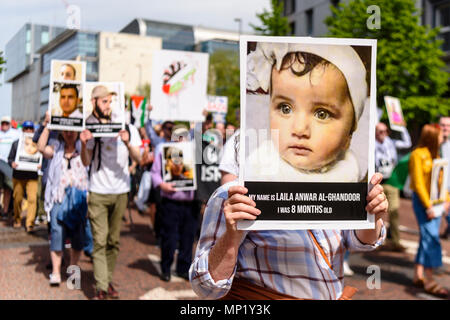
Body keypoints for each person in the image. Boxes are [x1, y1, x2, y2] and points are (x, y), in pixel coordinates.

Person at [189, 170, 388, 300]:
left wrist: (373, 213)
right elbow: (206, 288)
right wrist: (232, 235)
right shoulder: (235, 197)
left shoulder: (337, 186)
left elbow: (357, 241)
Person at [245, 43, 368, 182]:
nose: (299, 129)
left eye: (322, 114)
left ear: (349, 134)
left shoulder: (352, 170)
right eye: (285, 108)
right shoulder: (259, 168)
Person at [80, 122, 141, 299]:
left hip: (120, 191)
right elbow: (85, 160)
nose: (109, 105)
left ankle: (106, 280)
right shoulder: (94, 127)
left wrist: (128, 143)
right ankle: (101, 287)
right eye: (106, 101)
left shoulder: (129, 128)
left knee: (113, 241)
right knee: (99, 241)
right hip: (98, 192)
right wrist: (84, 144)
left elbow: (138, 158)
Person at [37, 128, 88, 286]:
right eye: (66, 130)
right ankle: (56, 272)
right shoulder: (56, 148)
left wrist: (85, 144)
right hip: (58, 199)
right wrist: (47, 125)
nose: (69, 133)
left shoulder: (83, 148)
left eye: (73, 130)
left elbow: (88, 162)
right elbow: (40, 148)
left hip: (78, 201)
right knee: (57, 235)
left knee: (77, 239)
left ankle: (73, 273)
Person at [150, 127, 196, 282]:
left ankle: (183, 269)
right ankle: (166, 268)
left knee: (188, 238)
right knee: (169, 237)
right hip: (171, 202)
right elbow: (154, 173)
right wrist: (163, 185)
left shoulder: (195, 154)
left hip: (190, 204)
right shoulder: (165, 152)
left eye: (185, 137)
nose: (182, 140)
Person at [409, 124, 450, 298]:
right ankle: (430, 279)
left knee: (426, 237)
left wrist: (446, 200)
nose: (443, 138)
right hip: (424, 202)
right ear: (432, 136)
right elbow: (418, 184)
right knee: (431, 238)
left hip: (436, 202)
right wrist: (429, 206)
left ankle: (418, 275)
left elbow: (441, 182)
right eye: (440, 136)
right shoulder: (417, 155)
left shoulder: (436, 155)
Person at [375, 122, 412, 251]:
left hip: (391, 181)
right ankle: (373, 241)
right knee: (375, 213)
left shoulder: (390, 142)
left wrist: (401, 127)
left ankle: (396, 241)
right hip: (376, 182)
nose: (383, 134)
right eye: (380, 131)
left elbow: (407, 143)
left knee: (394, 212)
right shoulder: (372, 145)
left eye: (386, 131)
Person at [8, 121, 39, 233]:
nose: (29, 131)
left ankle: (30, 223)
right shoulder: (16, 143)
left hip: (32, 176)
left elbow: (43, 158)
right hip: (18, 175)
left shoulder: (38, 144)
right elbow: (10, 159)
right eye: (26, 128)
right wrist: (12, 164)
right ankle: (17, 219)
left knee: (32, 199)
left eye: (31, 128)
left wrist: (40, 164)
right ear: (23, 130)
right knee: (17, 199)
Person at [0, 116, 20, 218]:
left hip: (8, 165)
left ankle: (5, 210)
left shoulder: (16, 134)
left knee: (8, 188)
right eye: (2, 123)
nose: (4, 125)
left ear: (10, 124)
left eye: (6, 123)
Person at [439, 116, 450, 239]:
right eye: (443, 125)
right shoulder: (433, 145)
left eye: (448, 125)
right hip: (436, 191)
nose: (445, 128)